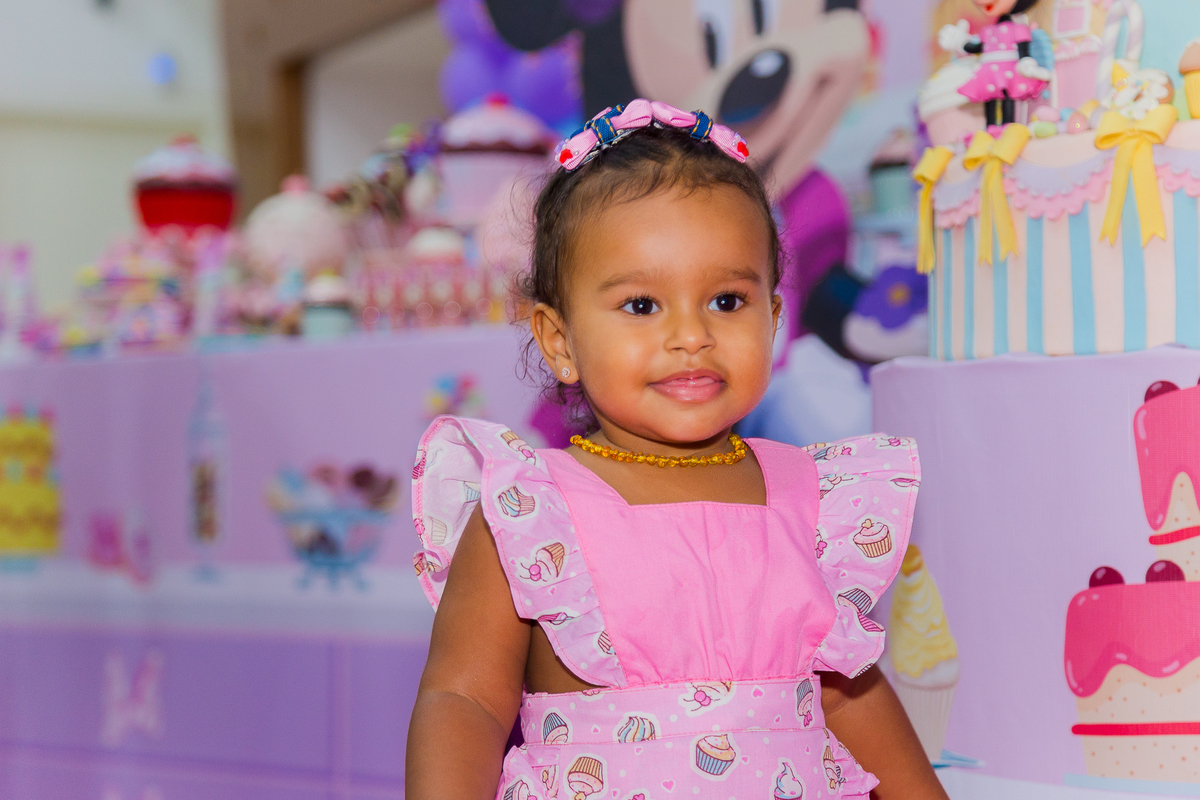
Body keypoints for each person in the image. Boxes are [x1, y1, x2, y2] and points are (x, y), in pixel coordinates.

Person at [406, 99, 947, 800]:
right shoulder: (530, 510)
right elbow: (465, 699)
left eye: (726, 301)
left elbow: (850, 694)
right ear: (560, 340)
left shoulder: (814, 502)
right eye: (642, 306)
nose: (691, 335)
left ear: (773, 318)